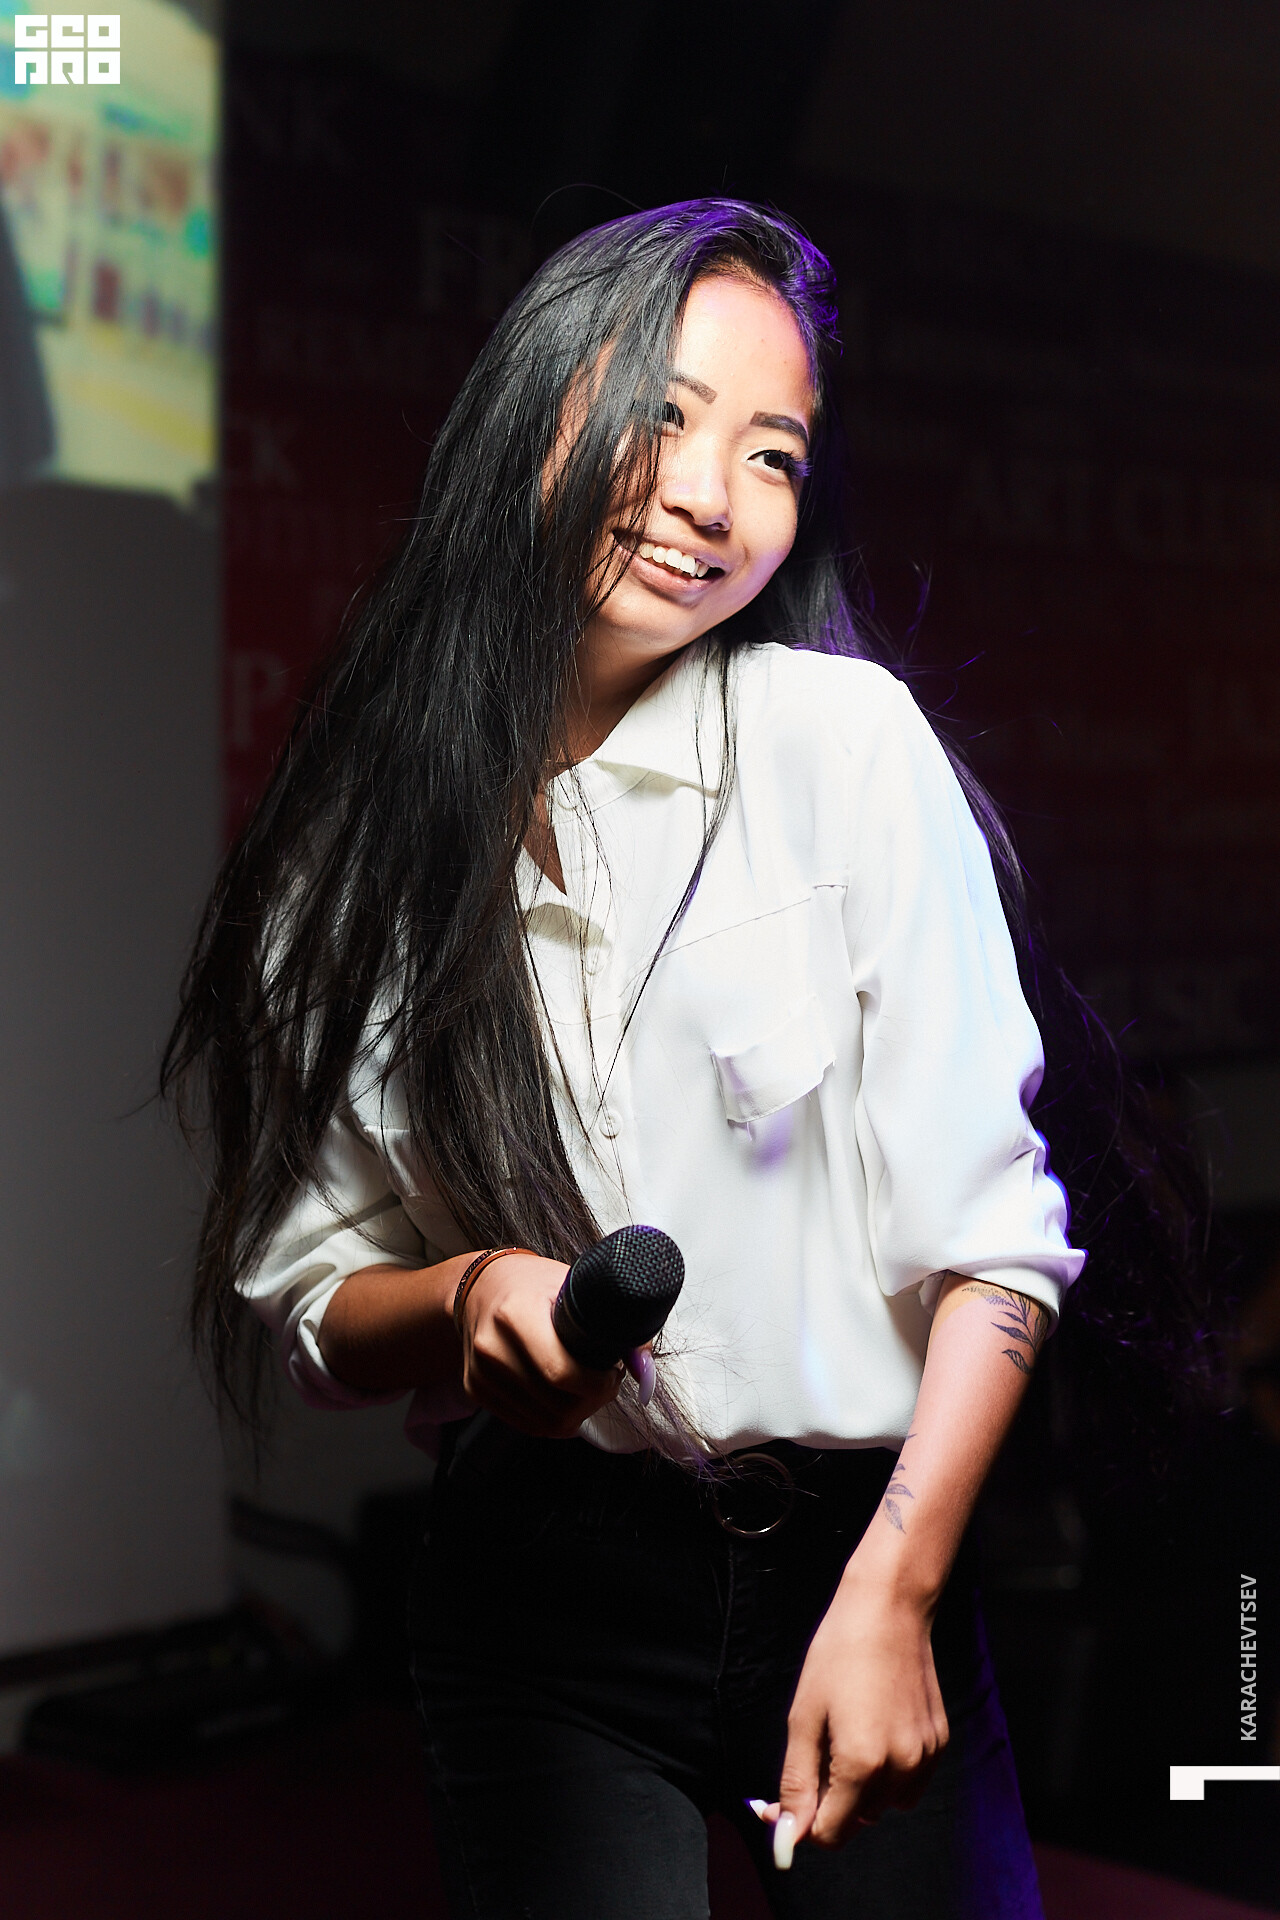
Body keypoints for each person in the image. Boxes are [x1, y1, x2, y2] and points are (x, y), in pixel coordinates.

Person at [167, 200, 1172, 1919]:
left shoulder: (840, 747)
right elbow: (314, 1290)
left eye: (773, 454)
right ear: (532, 408)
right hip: (533, 1586)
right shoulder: (355, 851)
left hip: (868, 1546)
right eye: (662, 414)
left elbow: (997, 1249)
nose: (714, 495)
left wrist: (897, 1594)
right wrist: (467, 1294)